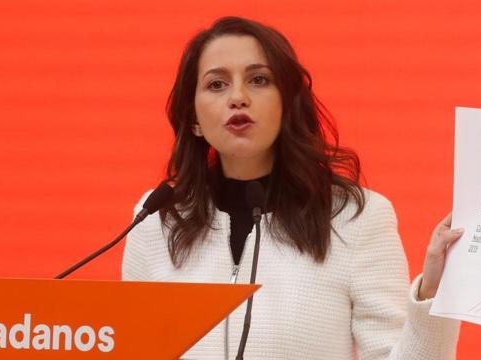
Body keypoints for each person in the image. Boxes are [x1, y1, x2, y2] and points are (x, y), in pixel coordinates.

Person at [122, 16, 462, 359]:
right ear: (194, 119)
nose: (238, 97)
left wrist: (433, 292)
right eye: (216, 84)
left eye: (258, 80)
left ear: (287, 103)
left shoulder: (356, 218)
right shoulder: (157, 218)